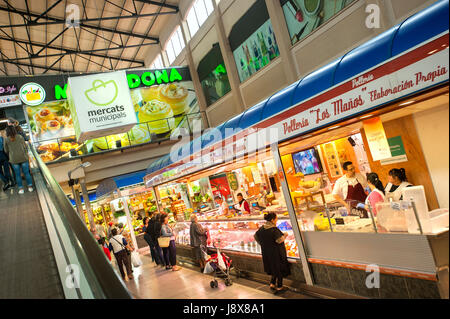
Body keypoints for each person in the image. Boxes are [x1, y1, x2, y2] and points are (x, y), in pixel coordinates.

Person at [254, 212, 290, 294]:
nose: (277, 220)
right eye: (276, 218)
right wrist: (285, 235)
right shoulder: (274, 229)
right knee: (279, 268)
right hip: (276, 253)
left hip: (266, 252)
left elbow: (255, 236)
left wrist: (263, 244)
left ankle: (272, 283)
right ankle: (280, 287)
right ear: (272, 220)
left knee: (273, 268)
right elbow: (279, 240)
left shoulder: (262, 228)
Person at [3, 126, 33, 194]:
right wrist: (25, 153)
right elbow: (25, 146)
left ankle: (21, 189)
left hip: (14, 159)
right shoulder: (20, 137)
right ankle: (30, 187)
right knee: (26, 173)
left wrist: (11, 153)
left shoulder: (6, 140)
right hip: (23, 157)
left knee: (17, 175)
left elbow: (6, 150)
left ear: (7, 132)